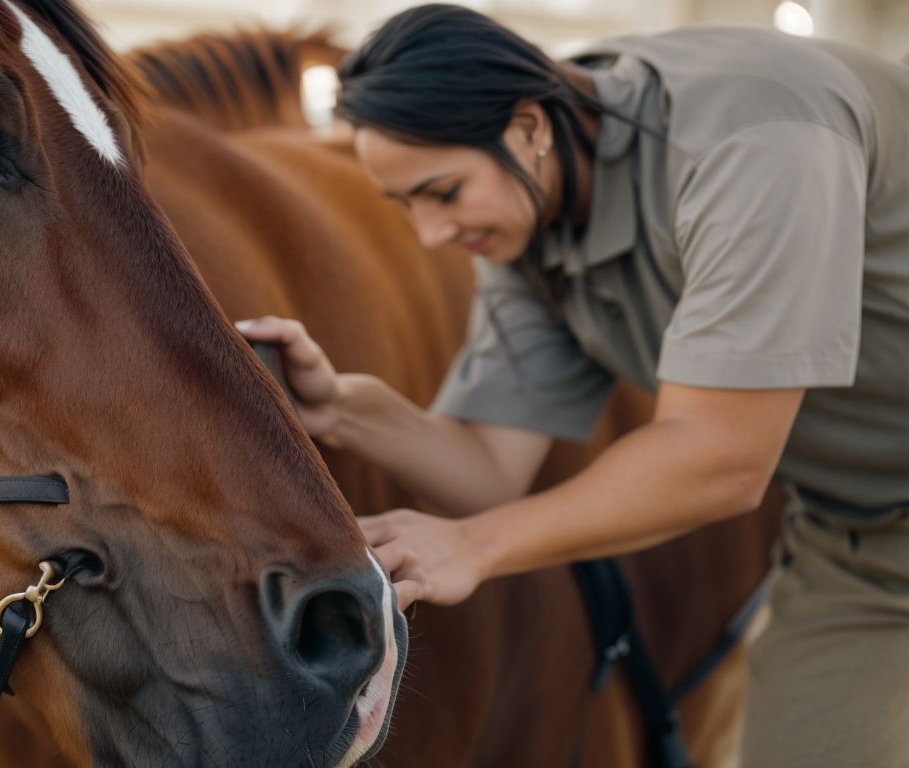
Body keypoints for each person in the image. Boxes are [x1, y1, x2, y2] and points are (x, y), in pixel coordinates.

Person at [236, 5, 909, 766]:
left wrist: (473, 549)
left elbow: (722, 461)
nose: (432, 235)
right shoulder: (537, 199)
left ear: (530, 128)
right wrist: (348, 410)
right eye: (407, 204)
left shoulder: (754, 144)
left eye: (445, 192)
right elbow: (491, 469)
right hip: (858, 543)